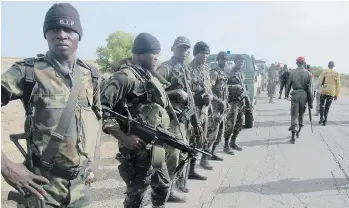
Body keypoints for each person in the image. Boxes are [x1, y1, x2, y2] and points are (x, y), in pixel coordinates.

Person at [1, 3, 101, 207]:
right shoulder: (27, 72)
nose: (61, 34)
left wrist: (95, 164)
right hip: (42, 189)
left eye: (69, 29)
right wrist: (6, 166)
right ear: (46, 35)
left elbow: (98, 120)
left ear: (78, 35)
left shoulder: (91, 75)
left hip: (80, 189)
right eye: (54, 29)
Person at [100, 33, 171, 208]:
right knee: (136, 194)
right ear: (139, 53)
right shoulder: (124, 77)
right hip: (135, 146)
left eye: (157, 53)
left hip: (155, 144)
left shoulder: (147, 75)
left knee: (162, 186)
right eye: (153, 53)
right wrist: (124, 139)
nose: (156, 58)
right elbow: (102, 110)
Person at [155, 36, 195, 200]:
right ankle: (166, 189)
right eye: (181, 48)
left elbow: (190, 93)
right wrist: (175, 93)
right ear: (173, 49)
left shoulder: (185, 69)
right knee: (173, 156)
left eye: (187, 48)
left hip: (183, 119)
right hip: (170, 119)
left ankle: (170, 184)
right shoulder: (166, 68)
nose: (184, 51)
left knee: (183, 154)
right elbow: (152, 90)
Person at [187, 41, 214, 172]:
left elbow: (209, 87)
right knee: (193, 138)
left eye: (207, 54)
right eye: (203, 53)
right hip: (195, 110)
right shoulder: (188, 69)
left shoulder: (206, 68)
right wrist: (200, 96)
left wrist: (210, 96)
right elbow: (186, 92)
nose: (205, 56)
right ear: (196, 53)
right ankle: (189, 170)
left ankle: (199, 163)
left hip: (206, 109)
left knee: (204, 137)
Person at [207, 51, 230, 161]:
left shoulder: (224, 73)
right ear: (218, 59)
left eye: (226, 59)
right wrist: (221, 101)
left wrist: (226, 102)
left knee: (219, 132)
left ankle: (212, 153)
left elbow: (225, 90)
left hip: (223, 108)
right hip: (215, 107)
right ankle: (204, 158)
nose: (224, 61)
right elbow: (209, 90)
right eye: (222, 59)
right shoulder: (214, 73)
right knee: (212, 133)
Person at [285, 56, 313, 144]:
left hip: (295, 95)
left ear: (297, 63)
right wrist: (310, 101)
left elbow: (288, 85)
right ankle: (298, 133)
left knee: (294, 115)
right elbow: (310, 89)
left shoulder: (293, 73)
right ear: (304, 63)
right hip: (304, 96)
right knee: (301, 114)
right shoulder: (308, 73)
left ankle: (293, 138)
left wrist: (286, 94)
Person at [223, 54, 246, 155]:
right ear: (235, 62)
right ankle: (226, 144)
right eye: (239, 62)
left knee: (239, 123)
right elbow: (224, 87)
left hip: (241, 101)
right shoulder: (229, 73)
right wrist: (236, 87)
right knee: (230, 124)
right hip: (233, 102)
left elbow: (244, 85)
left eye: (242, 62)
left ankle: (233, 142)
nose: (241, 64)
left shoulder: (241, 73)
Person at [317, 61, 341, 126]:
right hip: (331, 92)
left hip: (324, 91)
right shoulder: (336, 73)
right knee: (327, 107)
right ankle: (325, 121)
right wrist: (336, 95)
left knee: (321, 104)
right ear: (333, 66)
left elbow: (320, 81)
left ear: (328, 65)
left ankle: (321, 117)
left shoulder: (324, 72)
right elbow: (338, 85)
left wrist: (321, 88)